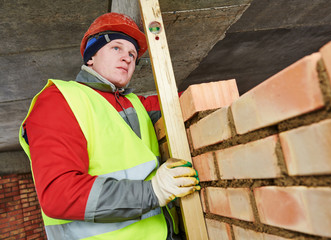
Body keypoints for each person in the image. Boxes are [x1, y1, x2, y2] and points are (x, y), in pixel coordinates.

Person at [19, 12, 200, 240]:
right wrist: (153, 192)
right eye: (117, 48)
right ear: (91, 57)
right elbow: (59, 194)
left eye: (133, 54)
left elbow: (185, 101)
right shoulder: (59, 100)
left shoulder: (135, 103)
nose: (127, 58)